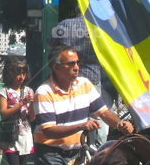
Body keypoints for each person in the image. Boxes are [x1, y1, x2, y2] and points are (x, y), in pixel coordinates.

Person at [48, 12, 116, 146]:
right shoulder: (101, 27)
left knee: (72, 115)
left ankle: (73, 145)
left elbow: (51, 45)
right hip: (94, 77)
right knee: (99, 116)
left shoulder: (65, 25)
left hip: (66, 78)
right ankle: (97, 148)